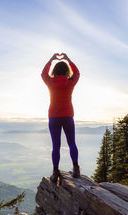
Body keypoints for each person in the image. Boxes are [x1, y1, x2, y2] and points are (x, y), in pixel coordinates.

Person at [41, 53, 80, 183]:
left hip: (54, 117)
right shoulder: (70, 83)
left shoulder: (50, 82)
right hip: (68, 116)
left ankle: (55, 172)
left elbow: (43, 74)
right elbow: (77, 73)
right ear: (66, 71)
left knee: (55, 146)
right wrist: (68, 59)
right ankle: (76, 169)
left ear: (55, 71)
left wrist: (51, 60)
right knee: (71, 143)